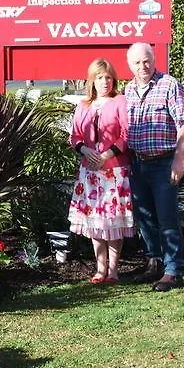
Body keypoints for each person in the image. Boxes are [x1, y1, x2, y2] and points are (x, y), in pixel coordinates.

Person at [124, 42, 184, 292]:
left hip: (164, 162)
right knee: (145, 219)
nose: (142, 67)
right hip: (137, 163)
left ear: (154, 60)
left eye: (146, 61)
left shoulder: (169, 85)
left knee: (167, 218)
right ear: (129, 65)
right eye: (137, 63)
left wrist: (179, 158)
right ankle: (153, 262)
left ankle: (173, 270)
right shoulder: (129, 89)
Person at [68, 58, 135, 283]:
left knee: (113, 222)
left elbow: (126, 135)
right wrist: (86, 150)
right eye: (99, 77)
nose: (105, 82)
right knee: (95, 222)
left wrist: (106, 155)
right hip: (90, 173)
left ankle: (114, 271)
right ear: (92, 81)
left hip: (114, 172)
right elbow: (74, 136)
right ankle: (100, 269)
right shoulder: (83, 105)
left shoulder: (120, 101)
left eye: (108, 77)